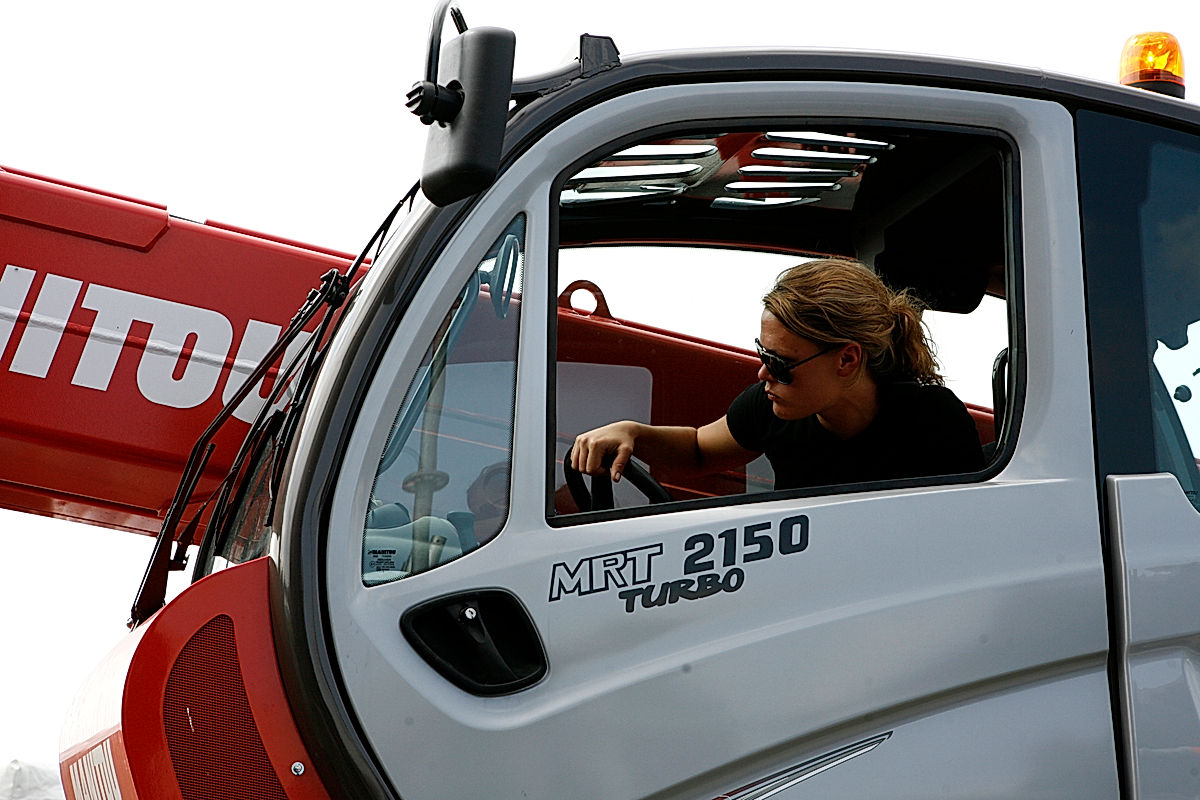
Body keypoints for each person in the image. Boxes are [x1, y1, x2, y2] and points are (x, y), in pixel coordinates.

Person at [570, 258, 986, 492]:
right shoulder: (770, 407)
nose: (763, 372)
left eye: (782, 362)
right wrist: (633, 433)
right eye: (763, 353)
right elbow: (698, 450)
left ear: (847, 360)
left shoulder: (932, 422)